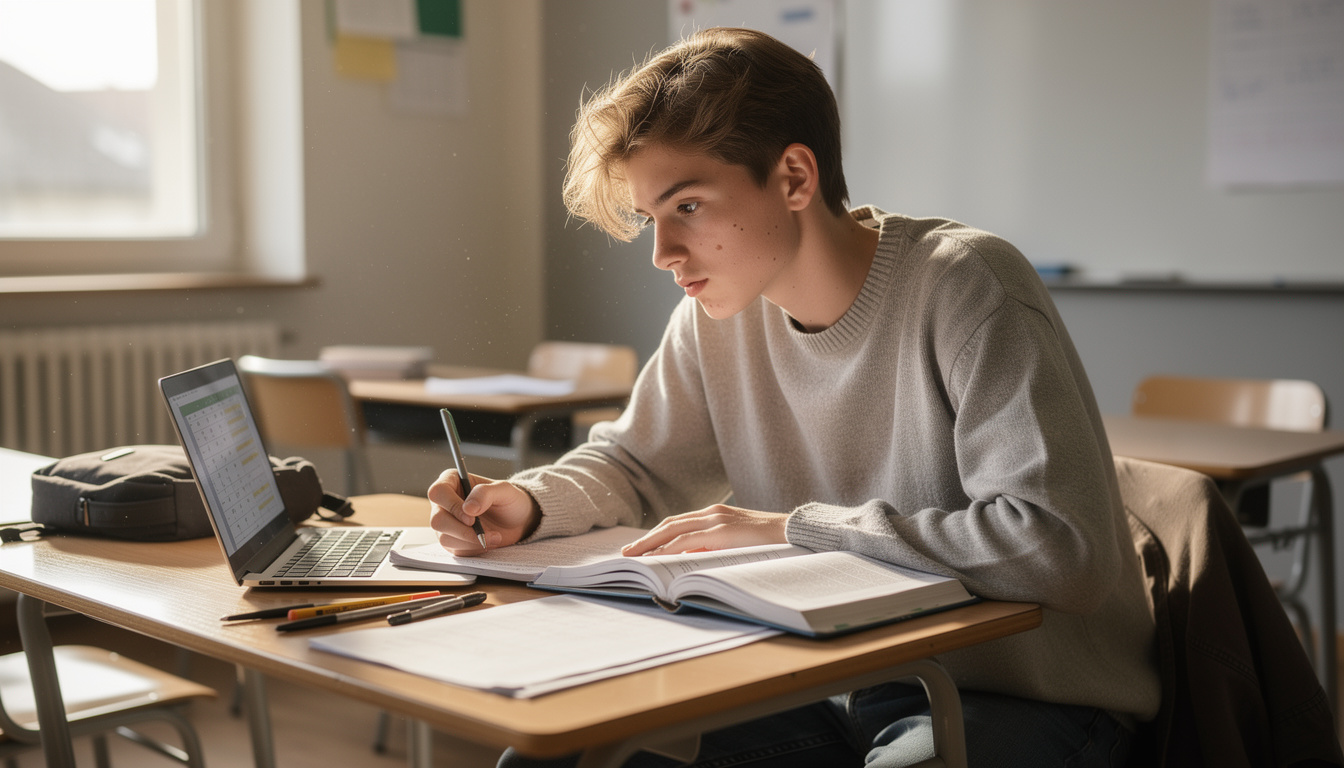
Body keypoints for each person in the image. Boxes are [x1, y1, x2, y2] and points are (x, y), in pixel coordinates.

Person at [428, 27, 1159, 768]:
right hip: (833, 678)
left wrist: (794, 530)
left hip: (1019, 698)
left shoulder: (968, 285)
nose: (662, 254)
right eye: (652, 219)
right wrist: (532, 503)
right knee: (556, 758)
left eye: (688, 207)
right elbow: (636, 466)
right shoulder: (716, 317)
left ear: (795, 178)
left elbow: (1057, 548)